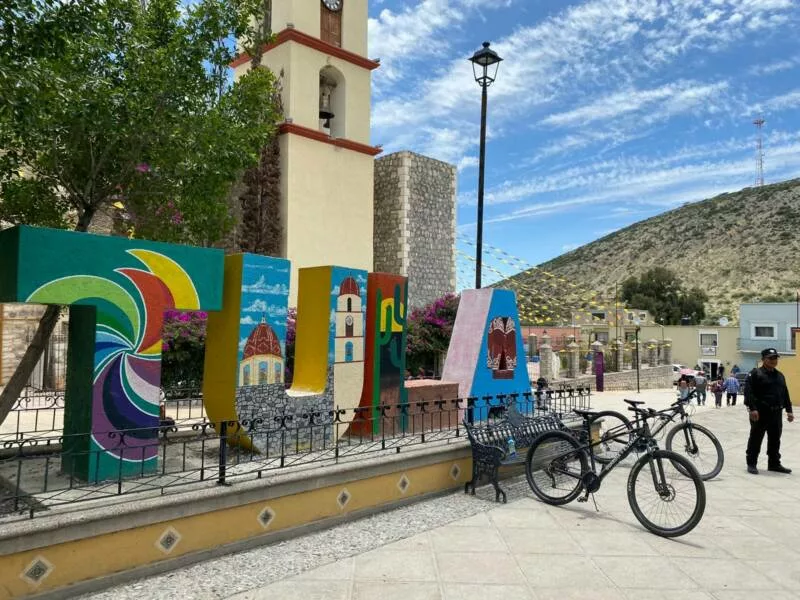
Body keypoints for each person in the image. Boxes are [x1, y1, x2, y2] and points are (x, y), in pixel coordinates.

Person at [744, 348, 794, 474]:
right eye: (770, 358)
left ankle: (774, 464)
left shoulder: (780, 375)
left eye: (775, 358)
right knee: (756, 439)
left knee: (775, 440)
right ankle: (752, 463)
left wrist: (789, 410)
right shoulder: (755, 374)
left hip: (776, 413)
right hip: (760, 413)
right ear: (763, 359)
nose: (773, 360)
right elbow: (749, 392)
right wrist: (752, 409)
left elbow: (785, 393)